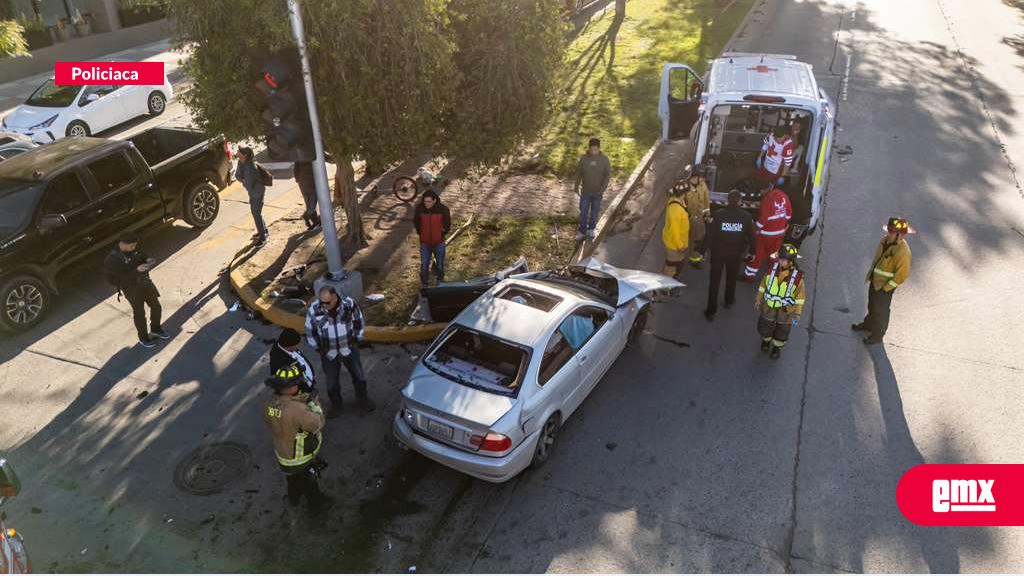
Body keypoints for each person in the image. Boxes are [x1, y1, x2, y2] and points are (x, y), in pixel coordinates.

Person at [263, 365, 332, 513]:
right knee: (310, 484)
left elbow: (275, 420)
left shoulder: (270, 403)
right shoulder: (297, 410)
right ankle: (316, 508)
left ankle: (293, 498)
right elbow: (317, 424)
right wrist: (314, 402)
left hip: (283, 454)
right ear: (294, 385)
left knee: (293, 479)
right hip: (300, 457)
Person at [305, 286, 375, 417]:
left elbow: (358, 320)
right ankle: (336, 405)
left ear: (335, 297)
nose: (324, 305)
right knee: (331, 382)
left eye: (327, 302)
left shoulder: (349, 304)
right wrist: (318, 348)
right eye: (322, 302)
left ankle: (363, 399)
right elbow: (310, 331)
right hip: (329, 353)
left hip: (349, 348)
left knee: (359, 377)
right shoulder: (314, 309)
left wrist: (357, 338)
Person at [852, 217, 914, 345]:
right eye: (888, 230)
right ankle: (868, 325)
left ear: (900, 235)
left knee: (881, 311)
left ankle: (877, 335)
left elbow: (902, 275)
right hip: (875, 281)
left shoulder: (903, 251)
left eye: (891, 232)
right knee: (872, 305)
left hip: (885, 287)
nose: (888, 233)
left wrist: (887, 288)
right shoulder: (884, 241)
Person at [103, 232, 167, 348]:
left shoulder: (134, 249)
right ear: (123, 244)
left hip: (145, 282)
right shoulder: (112, 259)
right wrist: (137, 270)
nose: (134, 248)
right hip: (131, 289)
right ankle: (143, 338)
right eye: (131, 246)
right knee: (139, 313)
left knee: (156, 306)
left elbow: (143, 256)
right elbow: (116, 280)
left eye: (135, 246)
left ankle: (156, 329)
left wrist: (148, 260)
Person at [704, 190, 756, 321]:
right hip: (735, 254)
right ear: (739, 201)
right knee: (731, 279)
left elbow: (710, 235)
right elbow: (752, 237)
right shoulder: (746, 217)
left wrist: (702, 251)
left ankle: (711, 311)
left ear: (728, 200)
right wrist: (753, 252)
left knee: (714, 282)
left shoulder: (719, 215)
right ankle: (729, 301)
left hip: (718, 254)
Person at [755, 243, 806, 359]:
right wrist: (758, 299)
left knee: (782, 331)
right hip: (769, 307)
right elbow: (763, 285)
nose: (780, 261)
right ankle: (766, 341)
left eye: (783, 260)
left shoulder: (797, 279)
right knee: (765, 326)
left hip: (786, 311)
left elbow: (800, 298)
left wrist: (797, 313)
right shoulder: (771, 271)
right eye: (780, 259)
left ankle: (777, 347)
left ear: (790, 261)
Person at [743, 179, 792, 280]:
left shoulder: (767, 200)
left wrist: (755, 229)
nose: (760, 193)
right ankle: (773, 277)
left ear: (766, 189)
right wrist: (783, 226)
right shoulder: (783, 195)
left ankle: (749, 275)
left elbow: (763, 220)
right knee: (773, 255)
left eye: (761, 191)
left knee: (757, 253)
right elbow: (788, 215)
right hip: (779, 234)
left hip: (766, 234)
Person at [574, 137, 612, 241]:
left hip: (598, 192)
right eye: (591, 149)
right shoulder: (584, 159)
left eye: (596, 149)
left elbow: (607, 175)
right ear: (589, 148)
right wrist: (576, 186)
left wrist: (602, 189)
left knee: (594, 212)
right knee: (583, 212)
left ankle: (591, 229)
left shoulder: (604, 160)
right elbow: (578, 173)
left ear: (599, 149)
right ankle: (582, 231)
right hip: (585, 191)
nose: (593, 152)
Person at [413, 190, 451, 288]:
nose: (426, 204)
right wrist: (421, 233)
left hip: (439, 242)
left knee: (440, 264)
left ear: (434, 201)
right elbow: (416, 222)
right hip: (425, 243)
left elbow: (447, 224)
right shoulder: (420, 209)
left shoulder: (443, 209)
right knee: (424, 263)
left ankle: (440, 282)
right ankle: (424, 283)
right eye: (425, 201)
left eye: (429, 202)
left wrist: (441, 233)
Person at [235, 147, 268, 247]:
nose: (237, 153)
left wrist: (243, 181)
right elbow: (237, 175)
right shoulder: (242, 162)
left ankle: (263, 237)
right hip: (253, 192)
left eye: (239, 152)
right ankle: (263, 229)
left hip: (257, 193)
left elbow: (247, 183)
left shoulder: (250, 167)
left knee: (256, 213)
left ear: (245, 155)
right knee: (256, 213)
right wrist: (243, 179)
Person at [270, 328, 316, 395]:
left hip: (308, 384)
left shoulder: (287, 347)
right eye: (296, 345)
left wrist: (312, 375)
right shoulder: (279, 361)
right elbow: (289, 382)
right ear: (289, 346)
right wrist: (306, 390)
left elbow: (302, 359)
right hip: (302, 391)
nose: (298, 347)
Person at [683, 165, 711, 268]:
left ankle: (694, 260)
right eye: (702, 177)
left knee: (697, 241)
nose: (704, 179)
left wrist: (707, 213)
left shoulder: (702, 185)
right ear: (696, 176)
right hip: (686, 219)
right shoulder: (684, 186)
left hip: (699, 220)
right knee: (682, 240)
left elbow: (706, 200)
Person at [661, 181, 690, 280]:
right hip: (674, 245)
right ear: (684, 193)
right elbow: (675, 231)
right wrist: (680, 246)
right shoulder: (676, 210)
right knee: (672, 266)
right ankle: (666, 287)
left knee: (675, 264)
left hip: (675, 243)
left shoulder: (676, 201)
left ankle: (670, 282)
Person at [293, 160, 320, 230]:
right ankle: (310, 218)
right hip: (307, 186)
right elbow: (295, 171)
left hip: (309, 185)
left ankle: (312, 220)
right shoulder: (300, 159)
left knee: (311, 205)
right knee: (311, 205)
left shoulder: (310, 157)